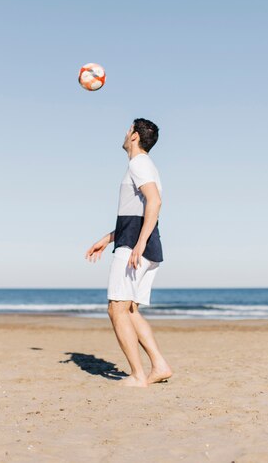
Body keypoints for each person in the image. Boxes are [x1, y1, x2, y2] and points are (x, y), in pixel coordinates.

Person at [85, 118, 172, 388]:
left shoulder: (139, 164)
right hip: (136, 242)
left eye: (128, 129)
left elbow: (155, 202)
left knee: (117, 309)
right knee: (130, 310)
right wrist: (109, 237)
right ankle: (159, 365)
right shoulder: (144, 166)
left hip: (135, 246)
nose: (124, 133)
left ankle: (137, 376)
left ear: (134, 136)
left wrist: (138, 243)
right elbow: (137, 212)